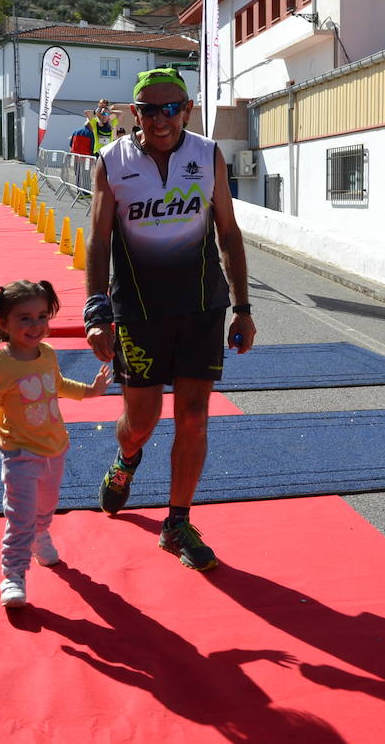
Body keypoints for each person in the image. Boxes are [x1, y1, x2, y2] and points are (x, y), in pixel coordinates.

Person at [83, 67, 256, 572]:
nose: (161, 119)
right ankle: (126, 461)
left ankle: (176, 522)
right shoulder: (112, 160)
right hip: (138, 312)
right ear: (134, 113)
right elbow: (98, 239)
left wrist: (243, 307)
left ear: (187, 109)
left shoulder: (208, 154)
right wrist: (97, 309)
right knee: (140, 423)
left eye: (171, 108)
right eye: (150, 109)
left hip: (203, 306)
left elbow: (229, 232)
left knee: (194, 415)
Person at [0, 279, 110, 607]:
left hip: (55, 448)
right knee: (20, 517)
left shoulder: (46, 354)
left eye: (42, 316)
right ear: (3, 322)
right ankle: (13, 575)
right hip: (19, 454)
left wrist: (90, 391)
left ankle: (40, 534)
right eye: (25, 318)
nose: (36, 325)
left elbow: (57, 385)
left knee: (44, 508)